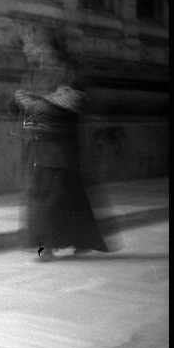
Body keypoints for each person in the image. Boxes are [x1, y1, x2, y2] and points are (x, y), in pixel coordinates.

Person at [14, 30, 107, 261]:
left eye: (31, 45)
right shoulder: (34, 74)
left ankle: (51, 247)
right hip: (38, 145)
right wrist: (34, 102)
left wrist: (37, 103)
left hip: (61, 147)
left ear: (48, 47)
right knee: (48, 196)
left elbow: (72, 101)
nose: (27, 50)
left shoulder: (71, 72)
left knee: (54, 196)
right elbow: (21, 100)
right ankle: (76, 241)